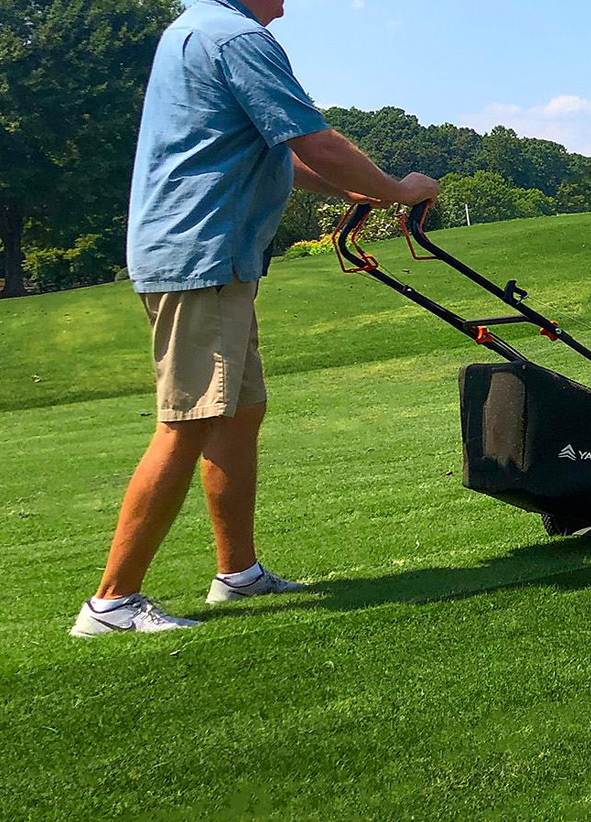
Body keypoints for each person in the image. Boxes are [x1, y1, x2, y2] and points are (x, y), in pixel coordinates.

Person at [70, 0, 437, 637]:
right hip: (202, 257)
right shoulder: (235, 37)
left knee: (239, 411)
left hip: (215, 257)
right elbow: (315, 140)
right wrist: (397, 189)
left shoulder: (195, 29)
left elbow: (275, 151)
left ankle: (237, 573)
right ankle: (112, 603)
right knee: (189, 419)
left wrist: (348, 188)